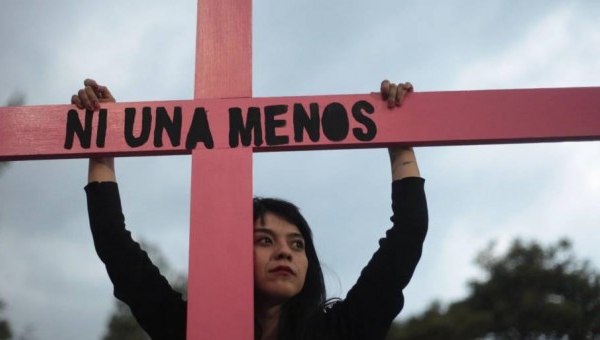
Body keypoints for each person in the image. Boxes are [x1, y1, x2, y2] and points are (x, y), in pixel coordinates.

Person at [74, 79, 427, 340]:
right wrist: (102, 139)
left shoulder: (340, 331)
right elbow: (114, 244)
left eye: (297, 244)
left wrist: (399, 141)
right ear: (232, 253)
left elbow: (407, 235)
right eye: (264, 240)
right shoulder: (191, 329)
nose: (285, 252)